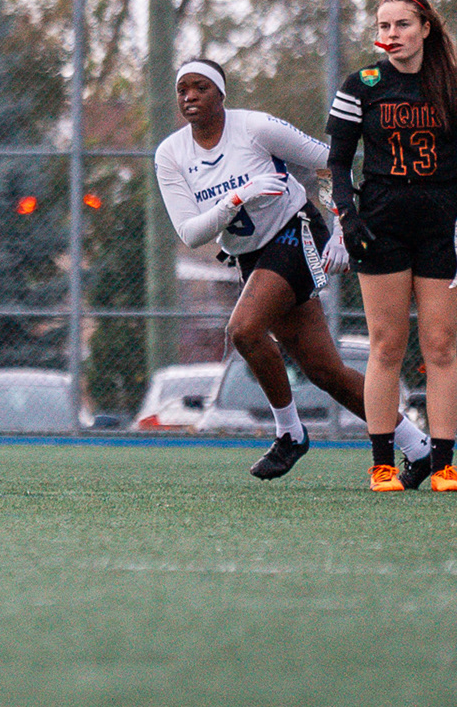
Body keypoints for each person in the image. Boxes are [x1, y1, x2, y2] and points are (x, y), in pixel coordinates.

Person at [153, 58, 426, 481]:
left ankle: (289, 433)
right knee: (325, 371)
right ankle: (418, 446)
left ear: (221, 93)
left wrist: (342, 227)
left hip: (295, 232)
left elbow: (332, 161)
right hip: (250, 255)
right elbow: (191, 233)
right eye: (182, 89)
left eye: (200, 87)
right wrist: (237, 198)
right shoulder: (171, 154)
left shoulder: (255, 128)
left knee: (243, 329)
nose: (190, 96)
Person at [329, 0, 457, 492]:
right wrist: (347, 215)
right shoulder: (362, 84)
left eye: (402, 24)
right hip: (382, 224)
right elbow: (338, 161)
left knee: (441, 345)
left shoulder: (450, 82)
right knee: (386, 345)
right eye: (384, 25)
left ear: (425, 28)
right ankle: (382, 463)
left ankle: (444, 464)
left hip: (440, 226)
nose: (392, 34)